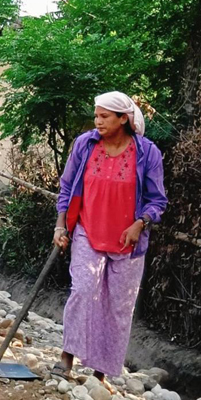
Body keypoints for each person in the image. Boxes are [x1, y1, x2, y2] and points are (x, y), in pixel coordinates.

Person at [51, 91, 168, 384]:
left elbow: (157, 200)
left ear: (123, 119)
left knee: (118, 306)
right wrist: (60, 226)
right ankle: (67, 357)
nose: (98, 121)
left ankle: (99, 372)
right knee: (82, 291)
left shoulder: (147, 153)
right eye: (96, 116)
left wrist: (140, 223)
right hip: (87, 231)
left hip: (128, 243)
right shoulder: (85, 145)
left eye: (104, 116)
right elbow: (67, 187)